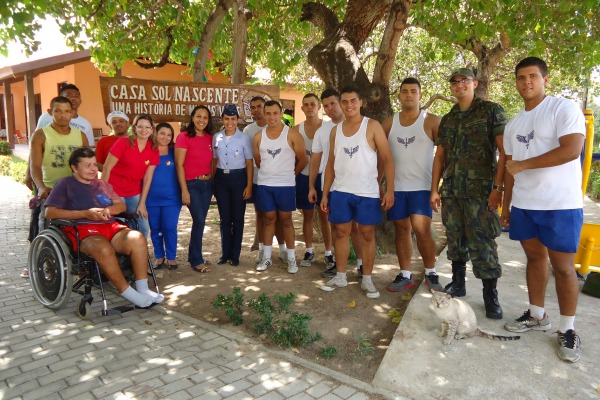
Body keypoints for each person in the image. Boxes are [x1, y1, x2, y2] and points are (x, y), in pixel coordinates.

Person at [502, 57, 585, 362]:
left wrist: (525, 164)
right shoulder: (514, 124)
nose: (527, 82)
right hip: (525, 204)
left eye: (533, 76)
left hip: (559, 205)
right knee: (535, 259)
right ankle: (538, 315)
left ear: (545, 79)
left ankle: (568, 329)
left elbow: (572, 149)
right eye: (521, 78)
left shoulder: (562, 108)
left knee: (564, 268)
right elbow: (510, 167)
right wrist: (507, 203)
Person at [430, 68, 507, 319]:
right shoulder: (449, 118)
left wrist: (498, 188)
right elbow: (440, 156)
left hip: (481, 191)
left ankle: (490, 296)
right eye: (454, 82)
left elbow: (504, 152)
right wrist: (434, 189)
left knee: (483, 241)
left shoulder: (490, 111)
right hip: (452, 190)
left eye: (464, 81)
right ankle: (459, 283)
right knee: (455, 239)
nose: (458, 85)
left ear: (474, 83)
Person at [44, 147, 164, 308]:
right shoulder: (65, 184)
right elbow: (50, 212)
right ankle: (128, 292)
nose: (94, 169)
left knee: (137, 238)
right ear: (74, 167)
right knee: (103, 248)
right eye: (88, 165)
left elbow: (120, 204)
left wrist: (109, 210)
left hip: (109, 226)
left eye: (94, 164)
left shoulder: (102, 184)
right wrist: (85, 213)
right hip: (83, 230)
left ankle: (143, 288)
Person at [320, 86, 395, 299]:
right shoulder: (336, 130)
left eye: (353, 100)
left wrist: (389, 189)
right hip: (341, 191)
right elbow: (331, 164)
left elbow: (388, 158)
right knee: (341, 233)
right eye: (345, 101)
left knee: (367, 235)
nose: (349, 105)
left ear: (361, 102)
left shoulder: (372, 126)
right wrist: (325, 193)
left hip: (367, 192)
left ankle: (368, 279)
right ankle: (341, 276)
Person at [382, 77, 444, 292]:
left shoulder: (432, 121)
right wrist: (381, 185)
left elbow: (442, 156)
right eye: (405, 91)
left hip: (422, 187)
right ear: (398, 96)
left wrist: (436, 188)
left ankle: (431, 273)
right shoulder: (389, 123)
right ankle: (405, 274)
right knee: (401, 230)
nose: (409, 95)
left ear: (420, 95)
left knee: (422, 229)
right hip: (397, 188)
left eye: (413, 91)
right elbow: (382, 157)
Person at [22, 96, 89, 278]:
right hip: (50, 191)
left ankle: (79, 265)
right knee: (45, 230)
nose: (63, 115)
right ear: (50, 112)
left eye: (67, 111)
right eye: (58, 111)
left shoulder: (80, 135)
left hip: (75, 192)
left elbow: (88, 163)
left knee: (77, 229)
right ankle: (46, 269)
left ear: (73, 113)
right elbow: (35, 166)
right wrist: (41, 187)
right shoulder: (41, 135)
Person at [308, 88, 363, 279]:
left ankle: (362, 264)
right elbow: (315, 160)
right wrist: (312, 186)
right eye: (326, 106)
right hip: (330, 186)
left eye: (333, 103)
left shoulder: (361, 126)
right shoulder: (323, 131)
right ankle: (335, 263)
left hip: (355, 185)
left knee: (355, 226)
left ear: (341, 102)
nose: (330, 108)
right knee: (336, 227)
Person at [253, 100, 307, 273]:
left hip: (286, 185)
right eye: (268, 113)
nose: (272, 117)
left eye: (275, 113)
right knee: (268, 218)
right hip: (265, 184)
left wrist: (291, 174)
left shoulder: (291, 134)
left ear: (281, 112)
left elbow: (303, 159)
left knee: (286, 219)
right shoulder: (259, 137)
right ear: (264, 114)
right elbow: (259, 161)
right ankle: (267, 258)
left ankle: (291, 259)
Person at [244, 96, 289, 264]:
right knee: (262, 215)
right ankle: (263, 249)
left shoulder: (285, 130)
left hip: (280, 180)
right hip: (258, 179)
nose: (256, 110)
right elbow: (251, 158)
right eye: (253, 107)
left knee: (280, 215)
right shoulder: (249, 130)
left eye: (259, 106)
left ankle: (283, 249)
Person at [101, 114, 158, 239]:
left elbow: (148, 178)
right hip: (114, 191)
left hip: (134, 192)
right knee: (119, 226)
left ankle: (138, 254)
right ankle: (120, 255)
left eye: (147, 127)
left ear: (152, 129)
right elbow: (106, 168)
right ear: (134, 128)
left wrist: (142, 203)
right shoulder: (123, 142)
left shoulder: (153, 148)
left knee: (143, 227)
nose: (144, 130)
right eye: (140, 127)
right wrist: (104, 193)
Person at [213, 104, 253, 266]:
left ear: (237, 120)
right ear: (223, 119)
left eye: (233, 119)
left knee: (238, 218)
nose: (230, 122)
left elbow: (249, 163)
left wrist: (249, 185)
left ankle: (235, 255)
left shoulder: (244, 138)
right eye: (227, 119)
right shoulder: (216, 137)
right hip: (221, 179)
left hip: (238, 178)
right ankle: (225, 254)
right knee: (224, 219)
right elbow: (214, 160)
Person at [175, 105, 214, 273]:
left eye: (205, 117)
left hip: (207, 185)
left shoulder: (210, 138)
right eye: (199, 116)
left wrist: (210, 176)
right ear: (192, 118)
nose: (201, 120)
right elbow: (179, 164)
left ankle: (194, 256)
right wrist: (184, 190)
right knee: (199, 220)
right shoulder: (184, 137)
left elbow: (213, 161)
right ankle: (196, 260)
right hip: (191, 184)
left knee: (200, 221)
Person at [147, 122, 182, 270]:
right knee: (155, 228)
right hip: (150, 198)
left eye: (169, 135)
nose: (165, 137)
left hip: (172, 198)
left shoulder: (175, 152)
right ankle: (159, 256)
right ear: (155, 133)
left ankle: (171, 257)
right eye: (162, 133)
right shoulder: (148, 150)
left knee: (169, 227)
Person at [295, 93, 323, 267]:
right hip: (303, 176)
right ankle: (309, 250)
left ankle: (329, 253)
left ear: (319, 106)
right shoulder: (296, 130)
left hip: (323, 176)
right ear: (302, 108)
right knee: (307, 215)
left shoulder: (328, 128)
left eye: (313, 104)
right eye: (306, 104)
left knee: (325, 216)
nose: (309, 107)